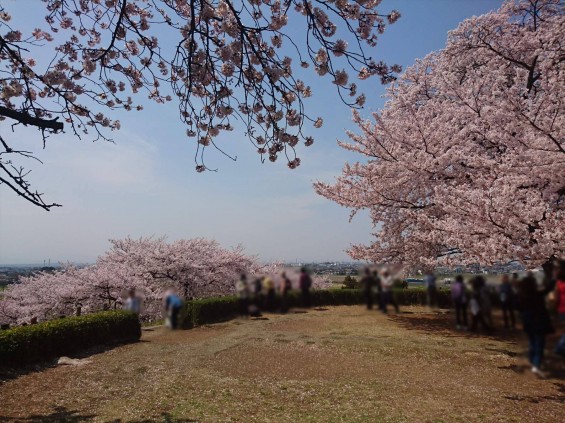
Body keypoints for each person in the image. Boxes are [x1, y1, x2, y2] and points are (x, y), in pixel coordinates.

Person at [518, 273, 554, 377]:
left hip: (528, 323)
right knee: (539, 344)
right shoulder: (537, 295)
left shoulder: (522, 297)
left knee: (532, 343)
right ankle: (536, 365)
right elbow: (547, 289)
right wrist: (554, 279)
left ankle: (532, 361)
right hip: (539, 323)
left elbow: (518, 307)